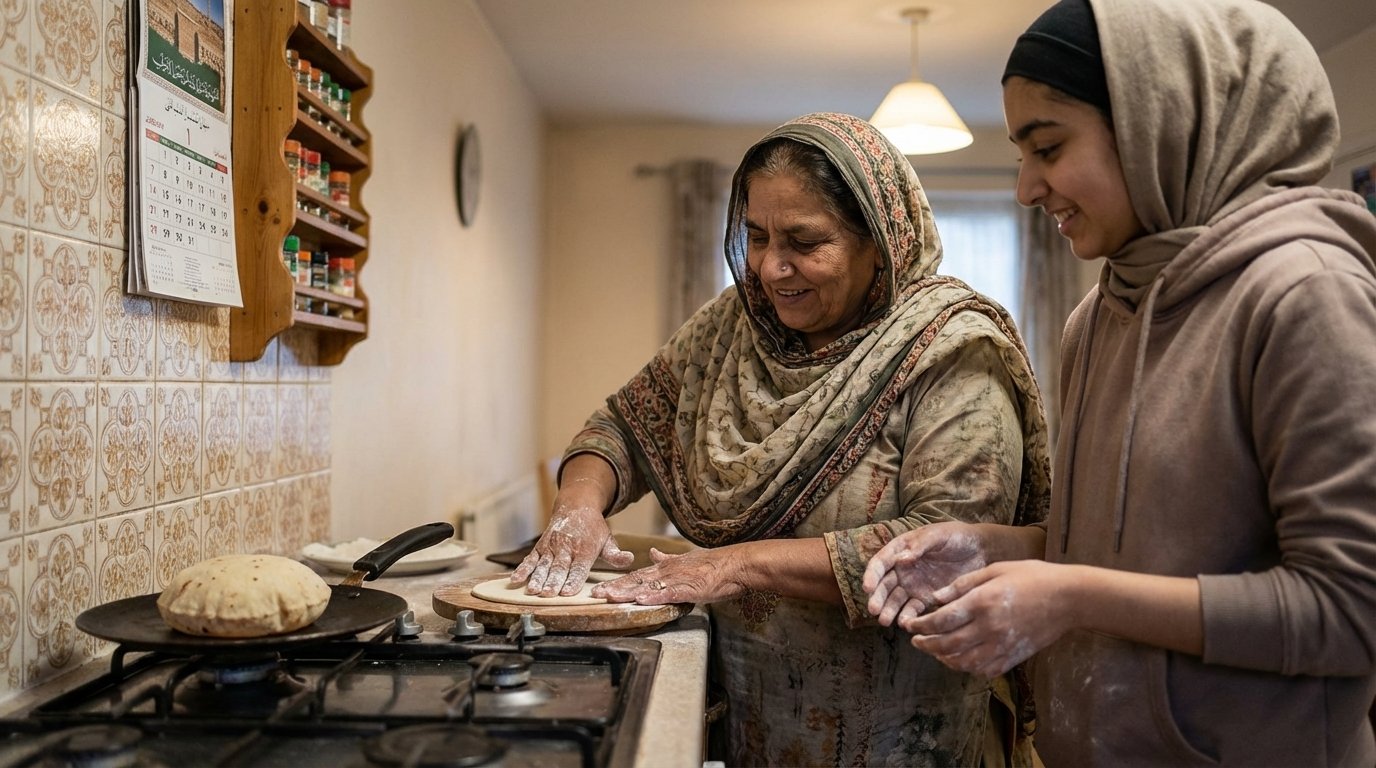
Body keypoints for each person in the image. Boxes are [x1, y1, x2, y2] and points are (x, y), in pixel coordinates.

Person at [863, 0, 1376, 765]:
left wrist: (1069, 596)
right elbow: (1134, 543)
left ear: (1157, 123)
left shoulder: (1306, 293)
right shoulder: (1098, 314)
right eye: (1021, 155)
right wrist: (992, 548)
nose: (1027, 189)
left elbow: (1351, 609)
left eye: (1049, 146)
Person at [511, 112, 1052, 765]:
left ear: (881, 242)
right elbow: (622, 427)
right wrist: (579, 507)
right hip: (745, 714)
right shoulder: (733, 328)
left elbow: (950, 547)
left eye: (804, 240)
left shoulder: (953, 352)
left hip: (901, 732)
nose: (771, 268)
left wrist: (735, 563)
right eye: (757, 235)